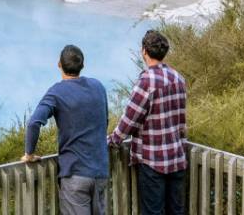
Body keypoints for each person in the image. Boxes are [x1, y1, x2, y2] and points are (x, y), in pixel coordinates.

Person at [22, 44, 111, 215]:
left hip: (75, 174)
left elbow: (34, 123)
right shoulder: (98, 86)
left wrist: (29, 153)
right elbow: (104, 121)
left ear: (59, 64)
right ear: (82, 65)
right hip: (100, 171)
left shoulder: (56, 92)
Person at [110, 30, 188, 215]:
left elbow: (129, 120)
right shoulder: (178, 78)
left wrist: (113, 140)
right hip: (176, 157)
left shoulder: (146, 82)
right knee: (176, 211)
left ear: (144, 51)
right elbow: (181, 121)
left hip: (153, 161)